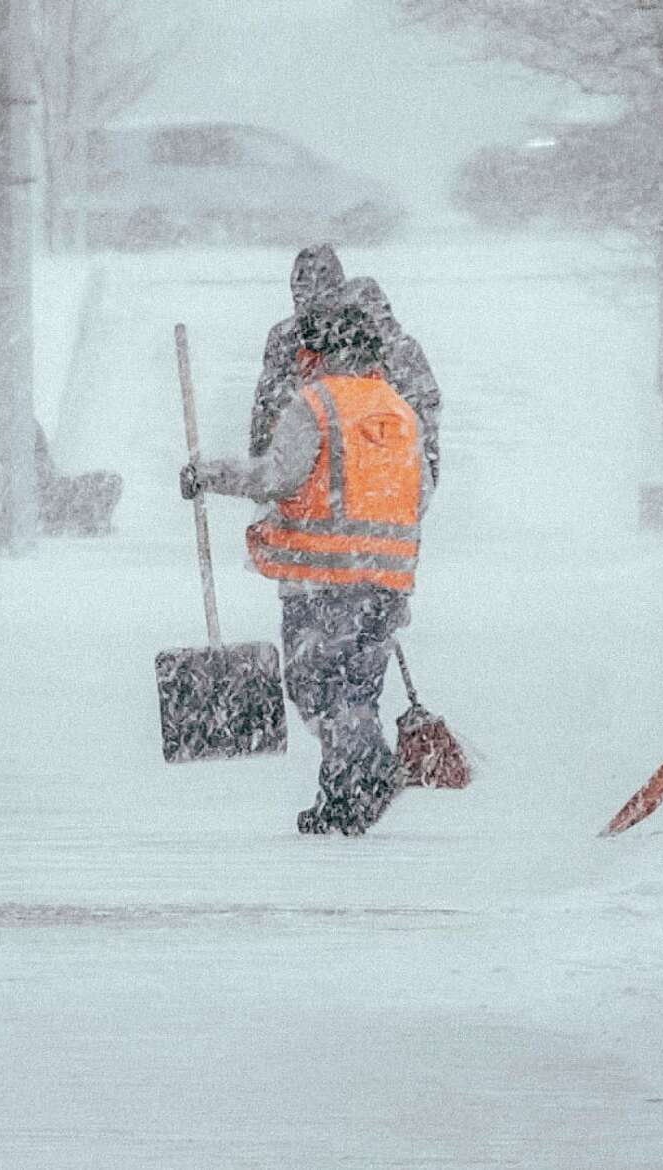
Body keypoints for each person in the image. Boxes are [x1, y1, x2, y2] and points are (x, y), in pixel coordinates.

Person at [182, 302, 431, 835]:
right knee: (357, 691)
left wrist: (210, 475)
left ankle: (371, 770)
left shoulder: (316, 405)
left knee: (316, 688)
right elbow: (420, 492)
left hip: (325, 582)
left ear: (315, 351)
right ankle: (341, 801)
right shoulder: (399, 410)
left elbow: (277, 475)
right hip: (388, 582)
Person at [249, 242, 346, 460]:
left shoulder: (356, 338)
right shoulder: (284, 337)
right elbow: (268, 404)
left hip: (347, 468)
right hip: (303, 468)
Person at [344, 276, 442, 488]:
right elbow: (430, 406)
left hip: (387, 463)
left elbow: (427, 407)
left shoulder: (397, 350)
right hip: (394, 464)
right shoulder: (405, 347)